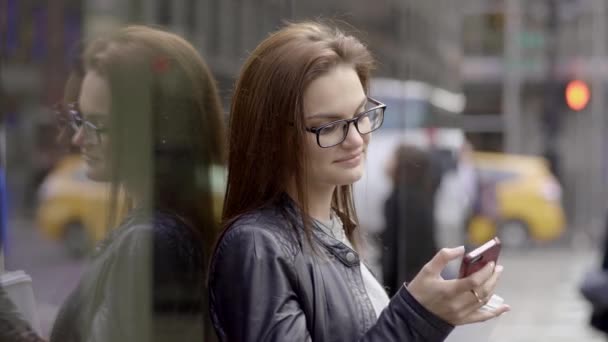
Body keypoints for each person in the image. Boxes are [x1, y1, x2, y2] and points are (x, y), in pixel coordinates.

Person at [208, 21, 509, 342]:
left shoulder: (331, 228)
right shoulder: (257, 246)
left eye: (360, 114)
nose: (355, 138)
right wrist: (418, 316)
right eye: (330, 125)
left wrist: (431, 314)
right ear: (273, 137)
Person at [0, 25, 225, 342]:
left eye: (98, 125)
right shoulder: (162, 229)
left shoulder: (152, 242)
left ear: (155, 127)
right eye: (81, 118)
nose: (79, 138)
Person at [382, 145, 438, 295]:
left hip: (405, 283)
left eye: (392, 158)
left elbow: (398, 248)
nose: (386, 162)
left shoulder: (400, 200)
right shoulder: (421, 195)